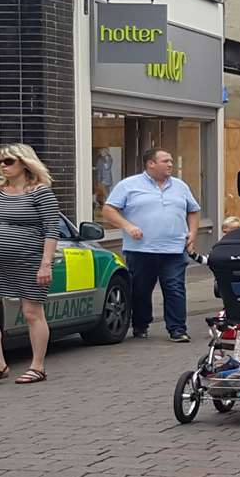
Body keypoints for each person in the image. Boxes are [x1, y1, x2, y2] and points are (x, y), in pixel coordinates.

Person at [0, 144, 64, 386]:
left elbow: (51, 229)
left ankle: (37, 367)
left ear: (24, 163)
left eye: (8, 161)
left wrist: (46, 264)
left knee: (32, 313)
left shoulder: (40, 192)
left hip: (28, 261)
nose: (2, 166)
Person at [101, 147, 202, 343]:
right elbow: (108, 209)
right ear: (151, 164)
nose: (171, 164)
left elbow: (193, 210)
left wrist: (193, 233)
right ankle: (140, 324)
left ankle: (177, 329)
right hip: (140, 249)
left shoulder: (180, 186)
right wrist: (128, 226)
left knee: (175, 288)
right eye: (166, 161)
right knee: (140, 289)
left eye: (171, 160)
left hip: (174, 248)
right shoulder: (129, 185)